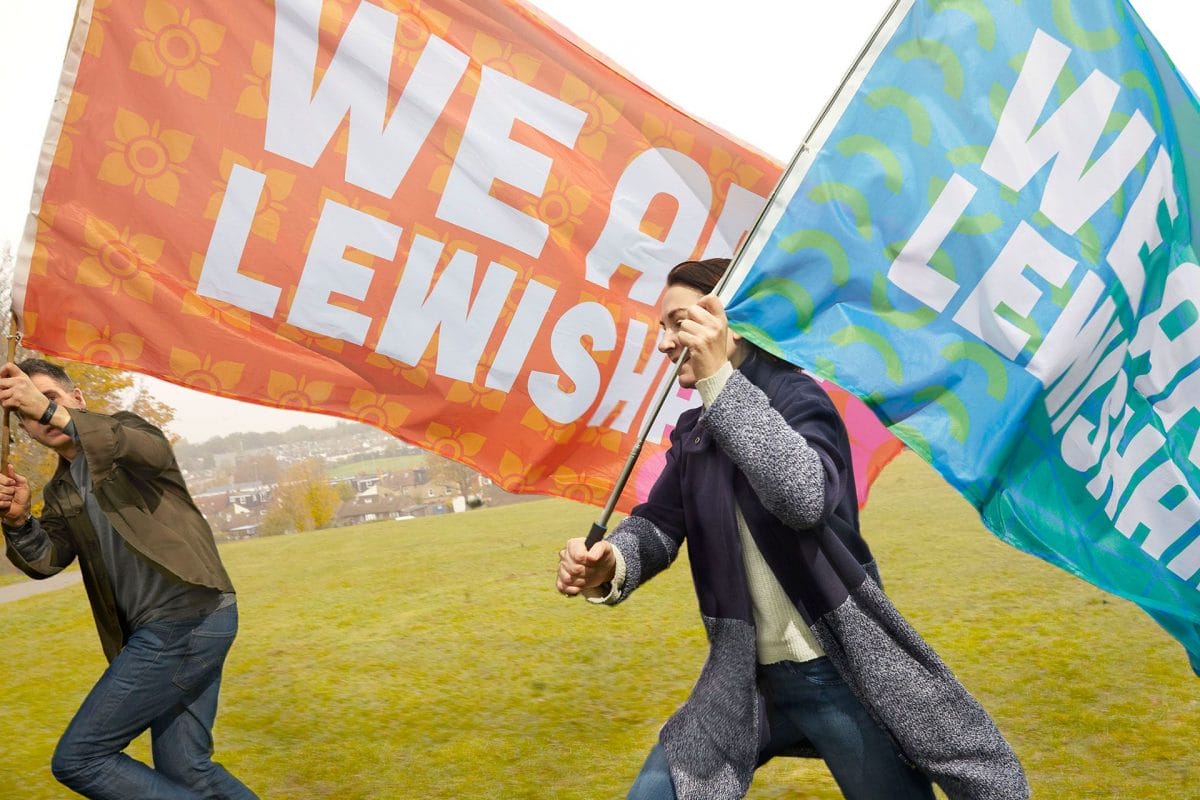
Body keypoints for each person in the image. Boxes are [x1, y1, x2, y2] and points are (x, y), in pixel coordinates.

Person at [556, 258, 1029, 800]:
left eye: (677, 322)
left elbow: (803, 499)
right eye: (663, 328)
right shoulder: (691, 432)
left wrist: (718, 382)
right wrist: (610, 563)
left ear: (723, 321)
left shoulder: (799, 398)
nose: (664, 342)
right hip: (742, 682)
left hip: (838, 674)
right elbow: (659, 526)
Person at [0, 358, 257, 800]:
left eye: (50, 398)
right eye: (27, 414)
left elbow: (146, 449)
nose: (40, 414)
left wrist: (44, 408)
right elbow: (46, 561)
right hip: (166, 630)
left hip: (188, 616)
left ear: (77, 399)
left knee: (80, 760)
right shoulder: (60, 490)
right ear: (26, 431)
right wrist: (20, 520)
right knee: (189, 772)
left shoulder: (126, 433)